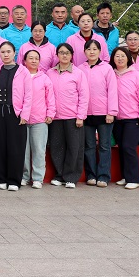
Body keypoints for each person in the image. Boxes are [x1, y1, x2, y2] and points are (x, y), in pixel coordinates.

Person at [46, 43, 90, 188]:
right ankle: (60, 175)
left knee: (74, 147)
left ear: (72, 55)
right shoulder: (50, 73)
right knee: (57, 147)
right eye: (61, 52)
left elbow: (84, 96)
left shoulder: (78, 73)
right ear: (57, 55)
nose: (64, 55)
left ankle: (71, 177)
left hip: (73, 117)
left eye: (67, 53)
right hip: (56, 117)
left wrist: (80, 116)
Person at [0, 42, 32, 191]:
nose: (6, 54)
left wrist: (25, 114)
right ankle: (1, 179)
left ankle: (14, 180)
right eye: (3, 52)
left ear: (14, 53)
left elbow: (28, 94)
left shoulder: (23, 71)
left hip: (16, 113)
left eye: (8, 51)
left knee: (16, 147)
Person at [79, 40, 117, 187]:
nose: (92, 52)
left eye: (95, 49)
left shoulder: (107, 68)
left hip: (104, 113)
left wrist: (111, 112)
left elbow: (112, 91)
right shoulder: (80, 69)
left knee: (104, 146)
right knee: (89, 146)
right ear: (84, 52)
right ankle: (91, 175)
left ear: (100, 51)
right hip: (86, 114)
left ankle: (103, 176)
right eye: (89, 49)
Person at [111, 47, 139, 189]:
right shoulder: (111, 74)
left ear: (128, 58)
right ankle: (125, 176)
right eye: (117, 56)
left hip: (133, 118)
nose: (120, 59)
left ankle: (134, 179)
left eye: (123, 56)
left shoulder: (136, 75)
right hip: (117, 118)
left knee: (129, 147)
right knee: (122, 147)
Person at [21, 50, 54, 189]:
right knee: (24, 151)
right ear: (24, 61)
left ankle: (38, 178)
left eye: (36, 58)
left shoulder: (45, 78)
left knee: (39, 150)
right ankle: (24, 176)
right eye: (31, 58)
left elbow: (50, 97)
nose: (34, 61)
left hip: (39, 119)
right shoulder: (20, 76)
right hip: (22, 120)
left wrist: (50, 113)